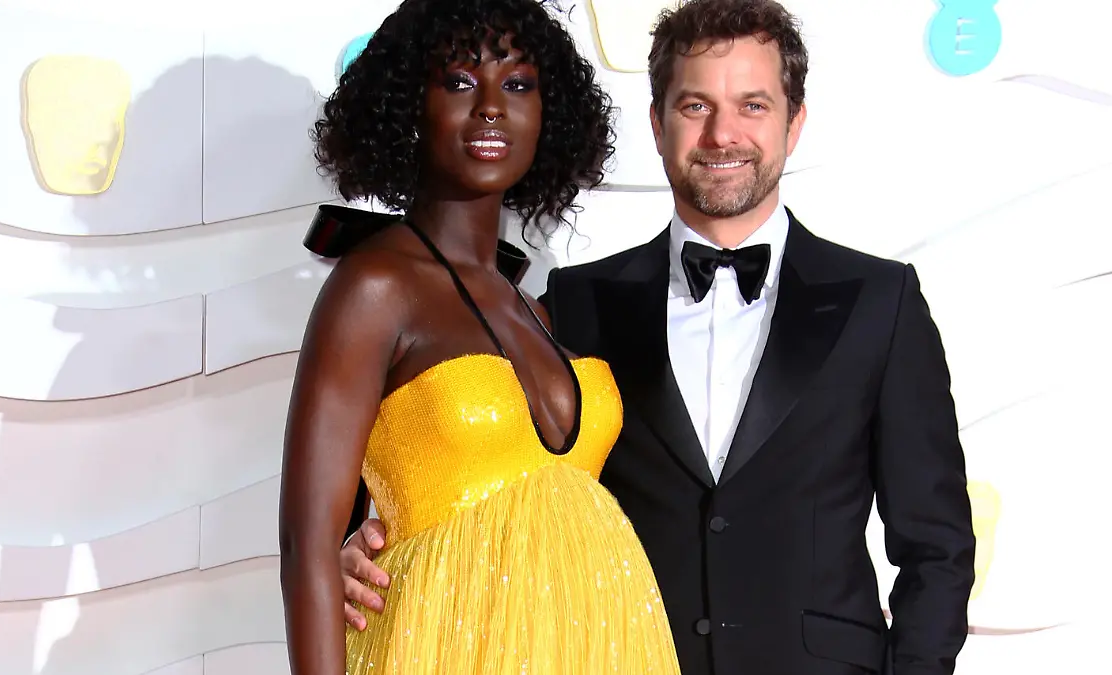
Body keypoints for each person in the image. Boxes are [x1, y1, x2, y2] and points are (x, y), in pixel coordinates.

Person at [339, 0, 978, 673]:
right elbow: (450, 444)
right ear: (657, 123)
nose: (722, 134)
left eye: (753, 106)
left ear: (795, 123)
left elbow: (936, 547)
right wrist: (356, 544)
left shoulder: (880, 303)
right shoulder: (576, 305)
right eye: (696, 106)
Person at [278, 0, 683, 673]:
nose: (492, 107)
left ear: (549, 115)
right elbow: (307, 547)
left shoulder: (534, 309)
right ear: (409, 104)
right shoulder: (374, 287)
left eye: (518, 84)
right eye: (461, 81)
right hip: (438, 648)